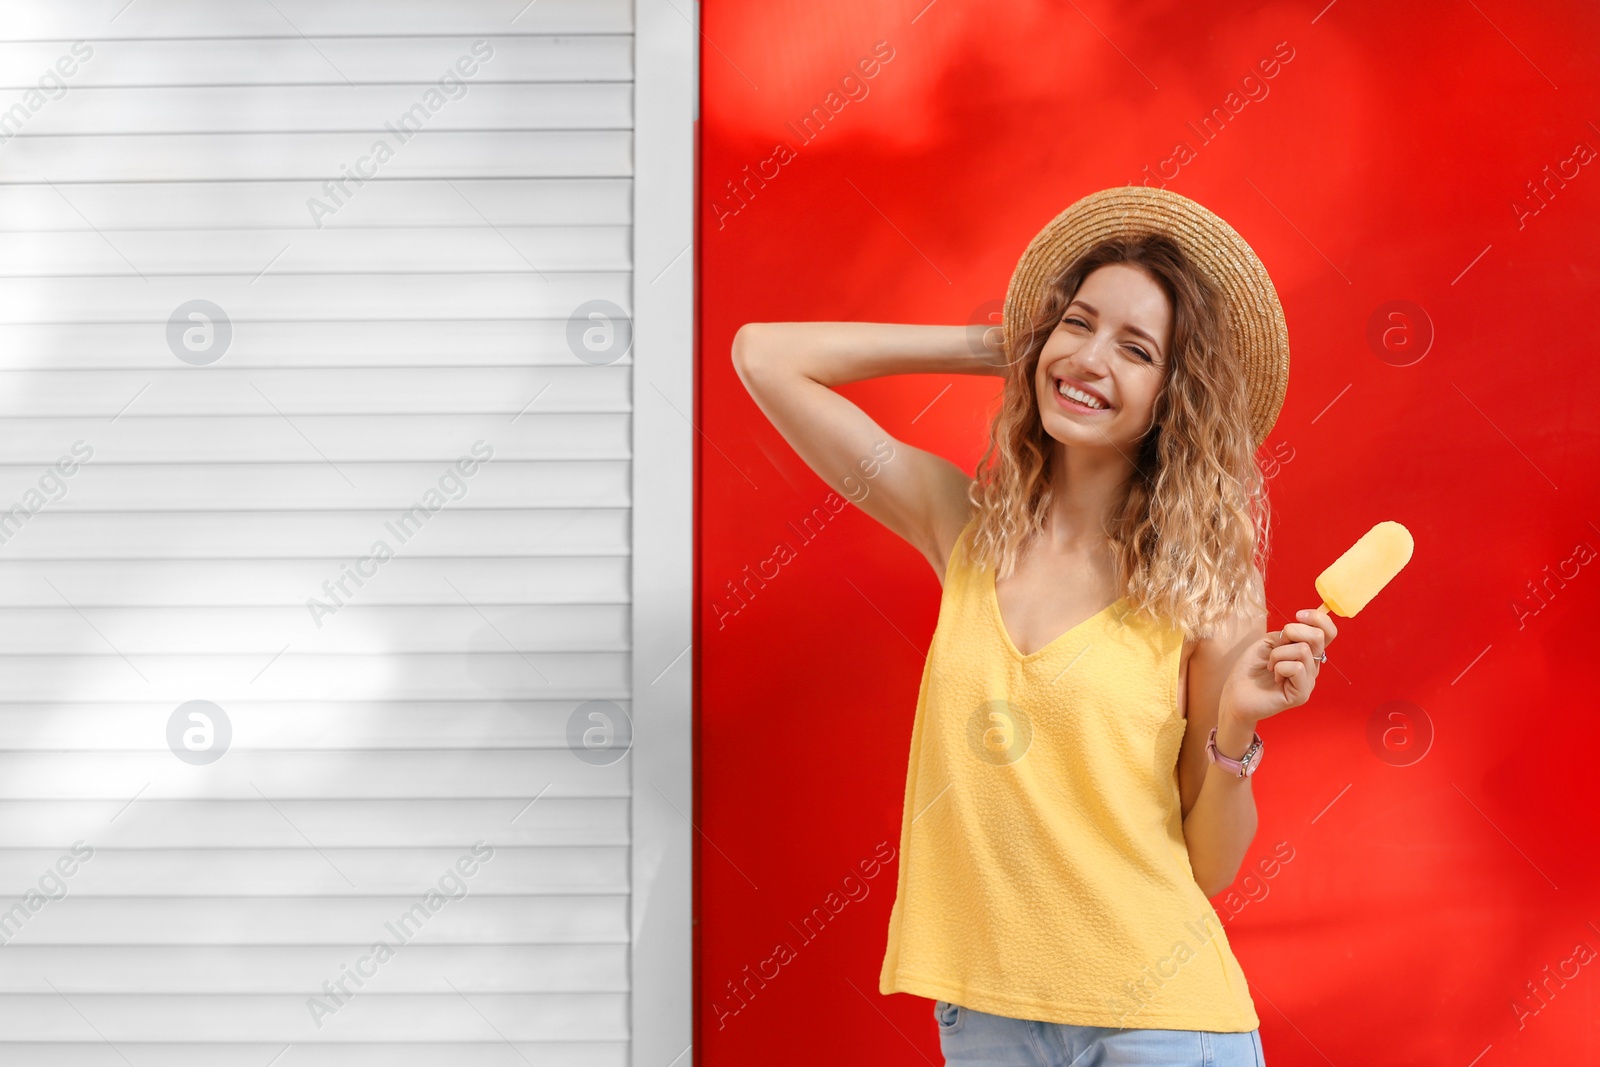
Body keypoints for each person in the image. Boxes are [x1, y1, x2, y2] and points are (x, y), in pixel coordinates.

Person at [730, 186, 1337, 1066]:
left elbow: (1209, 867)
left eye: (1135, 348)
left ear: (1175, 397)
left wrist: (1237, 726)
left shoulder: (1206, 584)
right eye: (1078, 323)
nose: (1092, 358)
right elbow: (765, 356)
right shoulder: (963, 527)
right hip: (986, 1020)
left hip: (1160, 1023)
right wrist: (1006, 345)